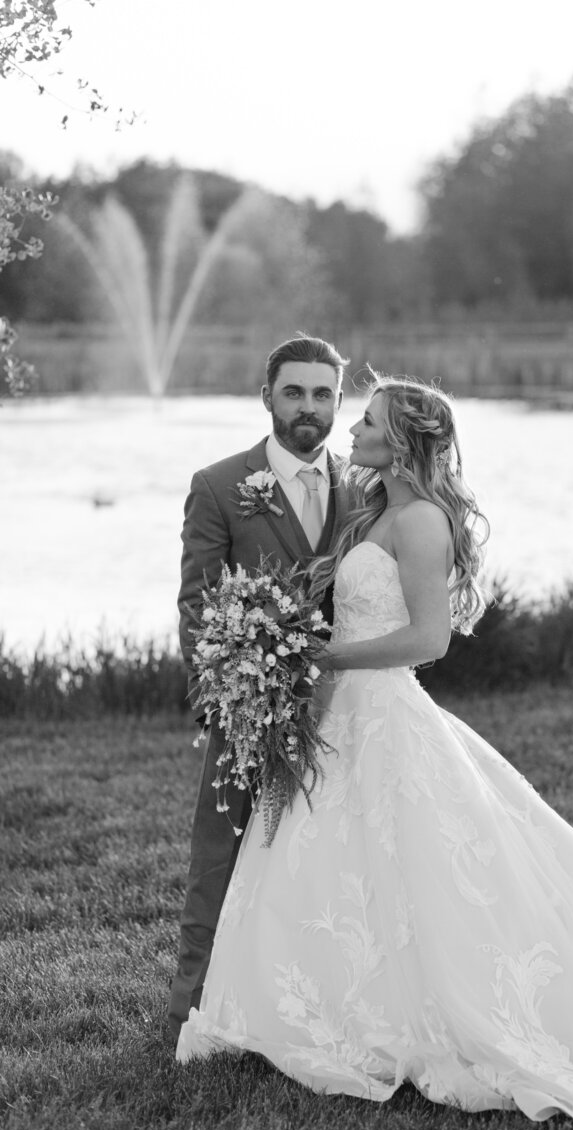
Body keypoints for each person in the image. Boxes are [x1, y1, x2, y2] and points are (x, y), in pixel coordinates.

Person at [176, 376, 573, 1130]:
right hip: (345, 716)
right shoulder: (380, 510)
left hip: (380, 709)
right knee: (331, 860)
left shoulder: (423, 523)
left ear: (400, 440)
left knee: (415, 869)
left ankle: (408, 1015)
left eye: (368, 421)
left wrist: (322, 661)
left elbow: (429, 640)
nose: (353, 430)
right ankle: (307, 1004)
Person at [168, 334, 353, 1043]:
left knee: (337, 858)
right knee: (221, 854)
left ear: (339, 401)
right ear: (267, 396)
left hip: (352, 709)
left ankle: (321, 1006)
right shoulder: (219, 486)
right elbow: (198, 606)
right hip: (252, 709)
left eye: (322, 394)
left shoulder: (365, 488)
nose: (308, 408)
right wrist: (231, 697)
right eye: (294, 392)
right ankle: (192, 1012)